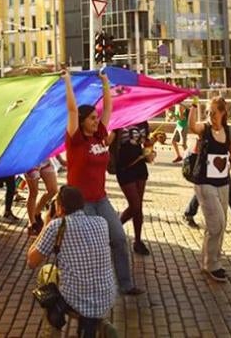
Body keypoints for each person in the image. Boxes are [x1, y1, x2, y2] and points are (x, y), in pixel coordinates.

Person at [62, 70, 142, 296]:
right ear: (83, 121)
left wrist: (105, 82)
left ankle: (126, 285)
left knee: (118, 237)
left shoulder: (100, 135)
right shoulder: (75, 139)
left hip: (100, 199)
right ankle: (84, 287)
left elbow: (108, 108)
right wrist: (68, 81)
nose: (97, 121)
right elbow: (71, 109)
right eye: (92, 118)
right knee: (89, 246)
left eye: (97, 119)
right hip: (81, 204)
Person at [27, 186, 117, 338]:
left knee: (46, 272)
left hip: (77, 297)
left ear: (60, 208)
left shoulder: (57, 227)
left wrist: (46, 224)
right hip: (106, 296)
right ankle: (102, 325)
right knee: (82, 286)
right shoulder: (101, 222)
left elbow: (31, 261)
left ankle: (52, 331)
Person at [186, 96, 231, 282]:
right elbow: (192, 126)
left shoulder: (228, 131)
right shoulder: (205, 129)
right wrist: (193, 105)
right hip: (204, 182)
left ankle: (211, 261)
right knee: (218, 223)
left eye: (213, 112)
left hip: (223, 182)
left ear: (223, 112)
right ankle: (211, 264)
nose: (210, 115)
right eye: (208, 112)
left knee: (218, 226)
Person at [111, 120, 155, 255]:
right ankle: (114, 231)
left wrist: (150, 146)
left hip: (140, 167)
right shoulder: (120, 119)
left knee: (138, 206)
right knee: (135, 205)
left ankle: (138, 241)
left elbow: (146, 145)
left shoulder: (143, 122)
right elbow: (109, 142)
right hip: (124, 167)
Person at [24, 159, 58, 236]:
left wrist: (59, 158)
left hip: (45, 160)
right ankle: (32, 223)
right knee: (33, 193)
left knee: (53, 190)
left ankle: (36, 213)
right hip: (31, 162)